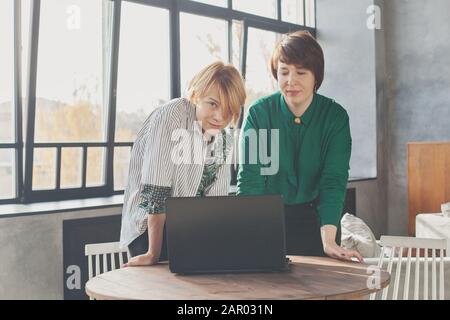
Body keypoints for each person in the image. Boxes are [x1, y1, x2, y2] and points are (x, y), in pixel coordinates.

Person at [237, 30, 363, 262]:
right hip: (269, 218)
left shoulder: (335, 117)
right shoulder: (260, 114)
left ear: (316, 76)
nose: (290, 81)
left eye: (301, 73)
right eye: (283, 72)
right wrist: (252, 233)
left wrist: (329, 241)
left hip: (318, 219)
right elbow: (251, 180)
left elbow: (333, 181)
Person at [120, 61, 246, 267]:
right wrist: (153, 253)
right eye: (213, 104)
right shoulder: (171, 116)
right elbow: (156, 192)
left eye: (229, 109)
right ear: (196, 95)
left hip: (188, 228)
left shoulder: (224, 140)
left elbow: (216, 202)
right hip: (149, 227)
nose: (219, 117)